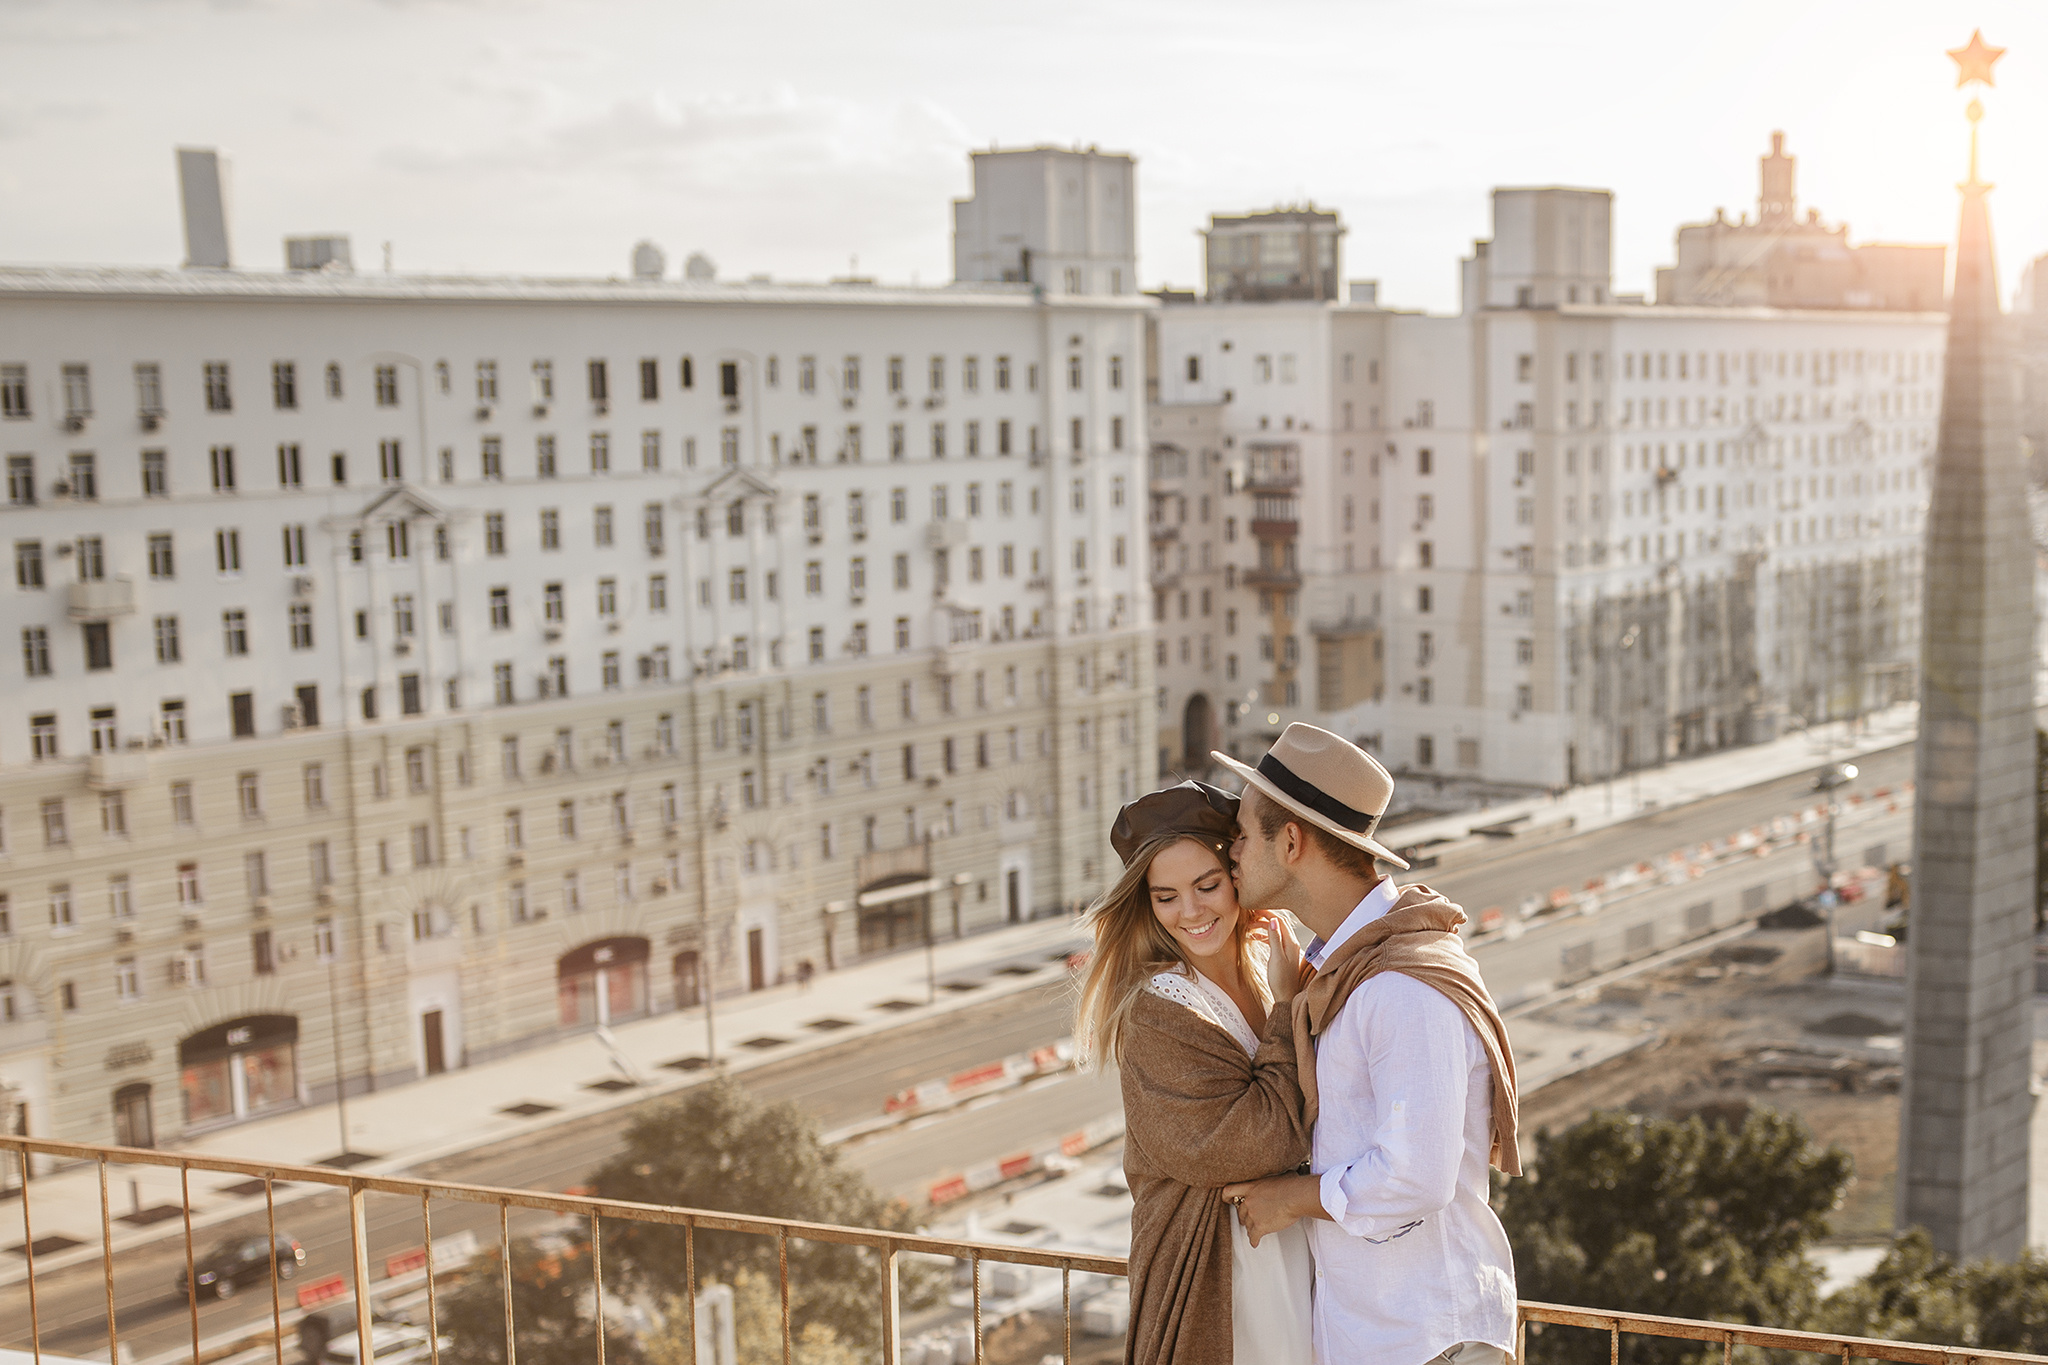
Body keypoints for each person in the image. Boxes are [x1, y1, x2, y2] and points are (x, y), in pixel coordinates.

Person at [1214, 724, 1521, 1365]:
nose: (1230, 851)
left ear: (1291, 842)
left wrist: (1290, 1199)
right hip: (1384, 1332)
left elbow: (1419, 1174)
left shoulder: (1399, 985)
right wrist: (1290, 998)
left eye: (1243, 834)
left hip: (1427, 1337)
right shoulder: (1347, 975)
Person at [1076, 780, 1315, 1365]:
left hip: (1293, 1252)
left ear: (1237, 874)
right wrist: (1289, 1012)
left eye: (1207, 885)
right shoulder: (1160, 1006)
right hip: (1219, 1275)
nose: (1191, 912)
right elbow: (1247, 1143)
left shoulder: (1266, 966)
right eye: (1166, 896)